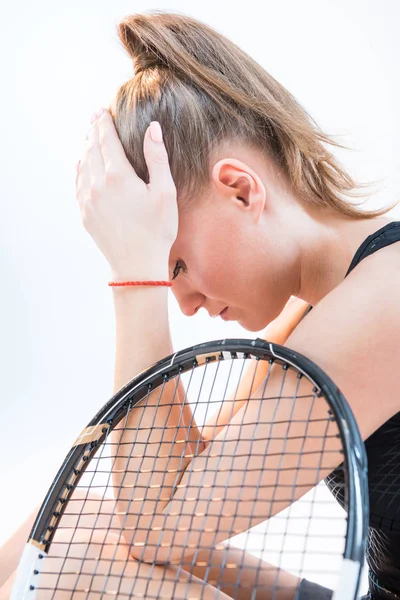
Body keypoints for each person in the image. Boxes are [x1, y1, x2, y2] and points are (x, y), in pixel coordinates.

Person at [2, 10, 400, 600]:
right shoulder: (323, 307)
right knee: (68, 524)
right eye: (167, 272)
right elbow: (160, 487)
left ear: (241, 189)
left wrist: (134, 277)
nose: (184, 305)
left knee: (70, 569)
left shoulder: (390, 296)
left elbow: (160, 525)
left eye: (177, 264)